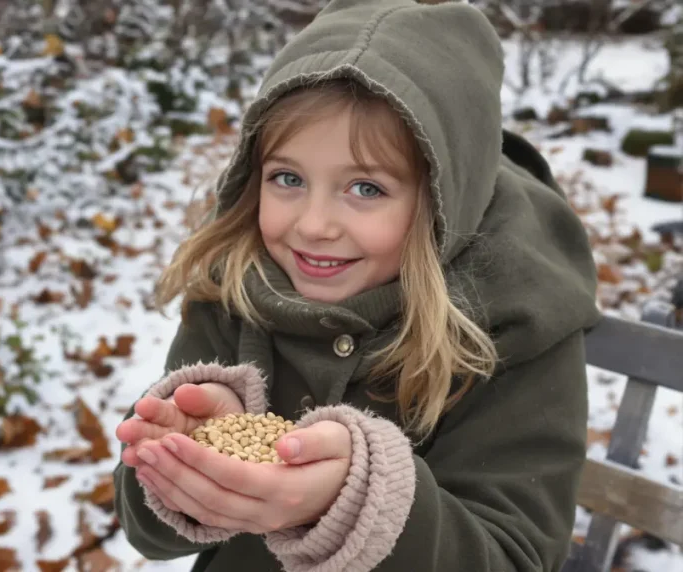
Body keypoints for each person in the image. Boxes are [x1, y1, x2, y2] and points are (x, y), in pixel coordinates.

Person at [112, 0, 601, 570]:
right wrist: (179, 457)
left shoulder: (511, 325)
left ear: (441, 203)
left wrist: (358, 506)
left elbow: (514, 556)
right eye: (288, 178)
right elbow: (148, 535)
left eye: (366, 189)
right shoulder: (235, 288)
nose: (314, 225)